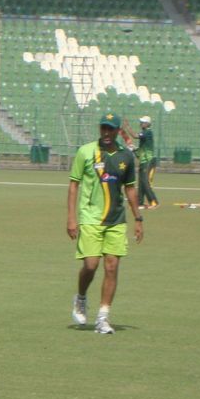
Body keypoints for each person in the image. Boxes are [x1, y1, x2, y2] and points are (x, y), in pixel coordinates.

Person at [67, 111, 144, 335]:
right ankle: (81, 297)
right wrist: (71, 218)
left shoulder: (126, 157)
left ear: (118, 131)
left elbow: (130, 188)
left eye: (111, 128)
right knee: (91, 265)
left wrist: (138, 218)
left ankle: (103, 317)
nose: (106, 132)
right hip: (90, 218)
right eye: (103, 128)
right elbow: (74, 185)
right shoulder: (86, 152)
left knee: (112, 266)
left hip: (116, 220)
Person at [135, 115, 160, 209]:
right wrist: (133, 150)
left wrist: (127, 128)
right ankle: (140, 203)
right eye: (141, 122)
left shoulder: (148, 132)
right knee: (141, 182)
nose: (141, 123)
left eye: (143, 122)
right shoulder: (143, 134)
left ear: (147, 124)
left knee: (145, 182)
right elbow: (140, 151)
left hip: (149, 161)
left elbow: (134, 136)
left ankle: (154, 202)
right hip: (143, 161)